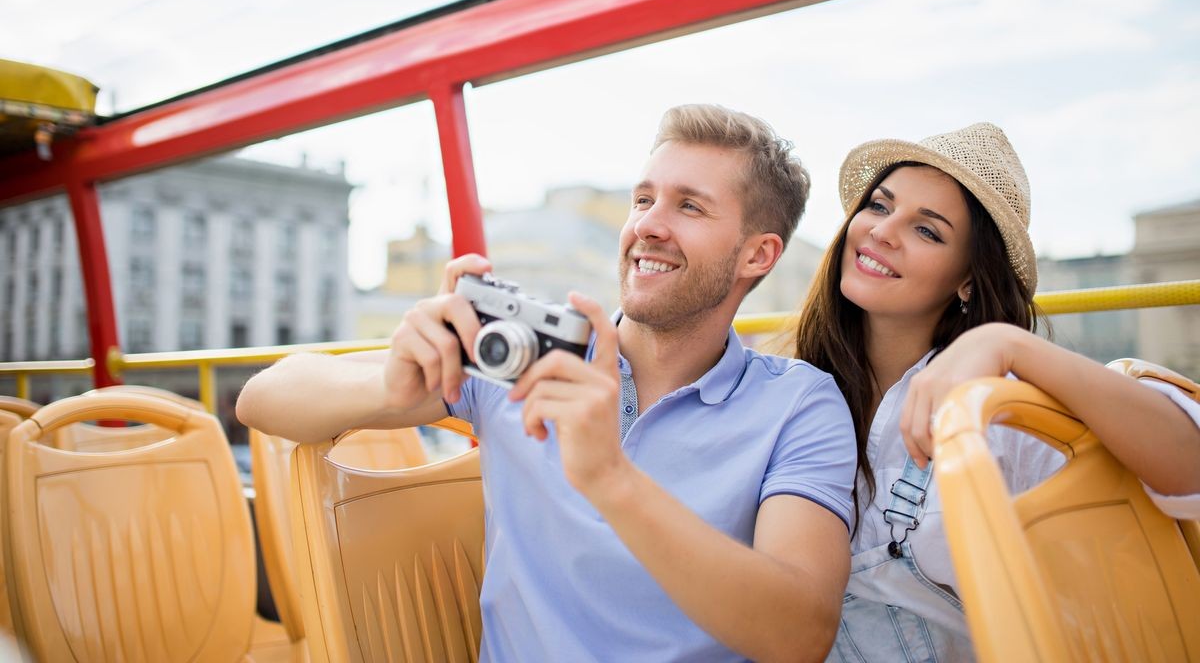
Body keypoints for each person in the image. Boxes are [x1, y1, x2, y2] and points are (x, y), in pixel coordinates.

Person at [238, 104, 858, 662]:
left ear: (758, 255)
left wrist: (610, 479)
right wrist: (391, 388)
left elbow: (799, 636)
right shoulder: (528, 353)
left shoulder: (797, 403)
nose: (649, 225)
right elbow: (263, 398)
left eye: (689, 206)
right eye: (643, 200)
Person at [789, 122, 1200, 661]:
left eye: (928, 231)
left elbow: (1189, 466)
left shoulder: (1000, 409)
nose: (883, 233)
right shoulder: (790, 388)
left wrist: (1009, 344)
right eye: (881, 206)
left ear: (967, 280)